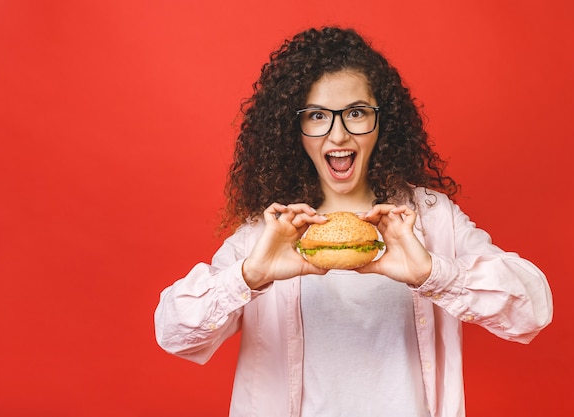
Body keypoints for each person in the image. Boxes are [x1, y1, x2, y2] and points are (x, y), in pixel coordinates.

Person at [154, 26, 553, 417]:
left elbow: (533, 310)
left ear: (383, 122)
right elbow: (173, 334)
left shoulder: (430, 218)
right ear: (294, 128)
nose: (339, 135)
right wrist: (250, 276)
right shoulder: (268, 232)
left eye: (357, 113)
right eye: (317, 116)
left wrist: (433, 273)